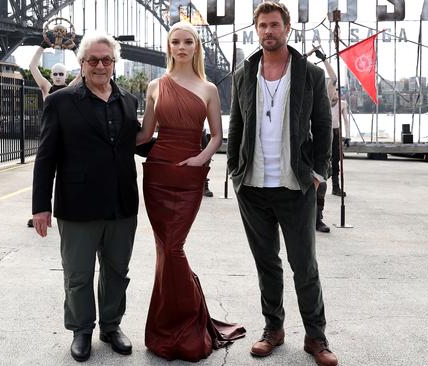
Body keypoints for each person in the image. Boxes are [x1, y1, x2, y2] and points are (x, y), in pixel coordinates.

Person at [227, 3, 338, 366]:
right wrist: (234, 170)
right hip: (253, 187)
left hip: (295, 185)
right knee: (266, 264)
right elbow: (237, 126)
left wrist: (319, 173)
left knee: (304, 264)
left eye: (275, 25)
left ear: (287, 28)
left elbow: (324, 128)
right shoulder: (244, 73)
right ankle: (273, 329)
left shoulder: (310, 74)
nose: (268, 31)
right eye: (262, 26)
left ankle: (316, 337)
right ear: (256, 29)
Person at [136, 21, 246, 362]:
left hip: (189, 177)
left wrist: (200, 160)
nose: (181, 47)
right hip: (157, 173)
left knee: (174, 247)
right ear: (169, 47)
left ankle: (185, 322)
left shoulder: (209, 88)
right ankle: (170, 326)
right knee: (164, 250)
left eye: (187, 41)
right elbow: (144, 135)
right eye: (175, 42)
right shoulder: (155, 86)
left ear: (196, 47)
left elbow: (216, 136)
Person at [32, 31, 142, 362]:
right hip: (77, 204)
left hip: (122, 202)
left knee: (117, 271)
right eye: (92, 60)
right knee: (78, 274)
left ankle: (111, 326)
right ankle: (82, 330)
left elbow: (139, 142)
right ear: (81, 63)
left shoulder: (128, 100)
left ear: (114, 63)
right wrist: (41, 207)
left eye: (106, 60)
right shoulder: (61, 101)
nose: (99, 66)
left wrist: (186, 143)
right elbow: (45, 157)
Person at [26, 44, 71, 229]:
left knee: (66, 176)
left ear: (66, 76)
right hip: (49, 136)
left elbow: (84, 69)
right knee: (43, 177)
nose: (58, 77)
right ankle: (40, 212)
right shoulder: (46, 87)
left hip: (67, 138)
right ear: (52, 75)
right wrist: (42, 47)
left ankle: (63, 212)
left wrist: (75, 48)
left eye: (61, 74)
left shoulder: (72, 89)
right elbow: (32, 67)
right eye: (55, 74)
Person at [312, 49, 351, 232]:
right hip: (302, 143)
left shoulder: (325, 98)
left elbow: (333, 78)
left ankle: (317, 218)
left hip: (322, 143)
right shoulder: (297, 93)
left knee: (322, 182)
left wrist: (325, 59)